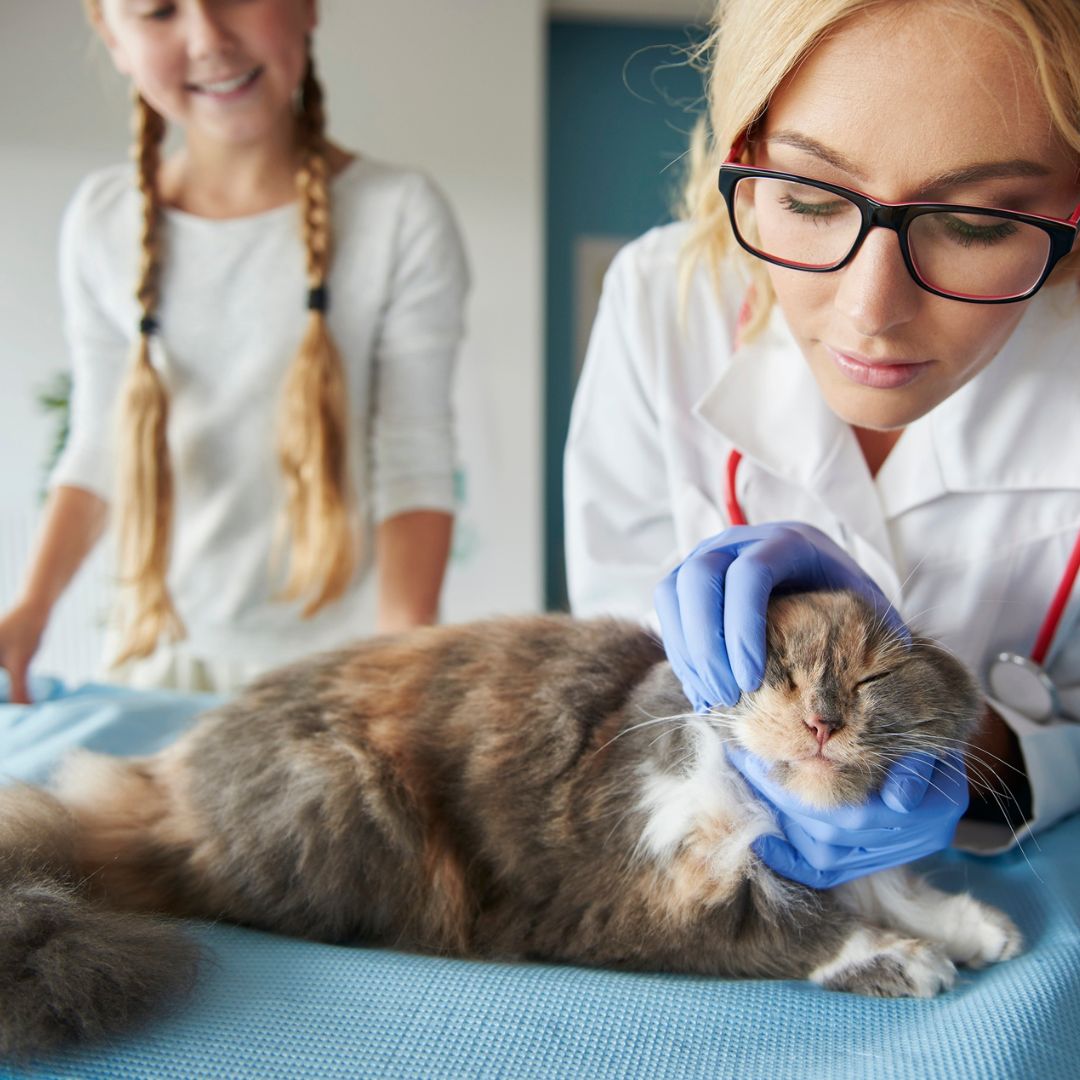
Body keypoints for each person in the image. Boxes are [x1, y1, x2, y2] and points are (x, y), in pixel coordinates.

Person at [565, 0, 1080, 885]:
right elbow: (616, 664)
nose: (868, 313)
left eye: (977, 224)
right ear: (746, 159)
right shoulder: (662, 305)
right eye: (808, 198)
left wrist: (980, 756)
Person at [0, 0, 469, 701]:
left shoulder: (398, 215)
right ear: (113, 39)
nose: (208, 38)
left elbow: (413, 461)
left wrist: (401, 667)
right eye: (158, 12)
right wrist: (29, 611)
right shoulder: (103, 222)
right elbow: (99, 446)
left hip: (338, 674)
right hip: (158, 661)